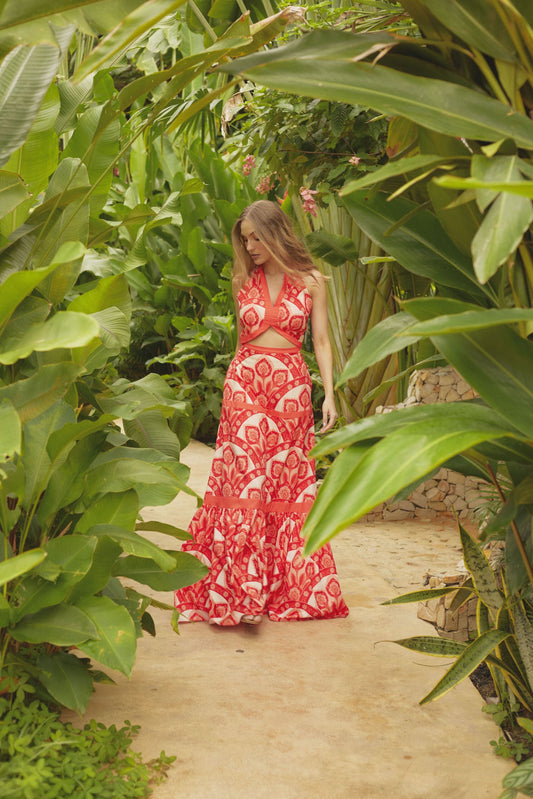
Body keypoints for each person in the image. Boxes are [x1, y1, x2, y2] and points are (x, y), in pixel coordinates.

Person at [174, 200, 349, 626]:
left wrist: (329, 394)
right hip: (244, 385)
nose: (250, 246)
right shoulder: (241, 281)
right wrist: (232, 392)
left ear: (275, 233)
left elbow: (321, 342)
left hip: (290, 387)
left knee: (285, 486)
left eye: (256, 237)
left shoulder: (311, 281)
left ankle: (279, 589)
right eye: (245, 238)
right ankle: (240, 592)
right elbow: (240, 342)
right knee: (244, 482)